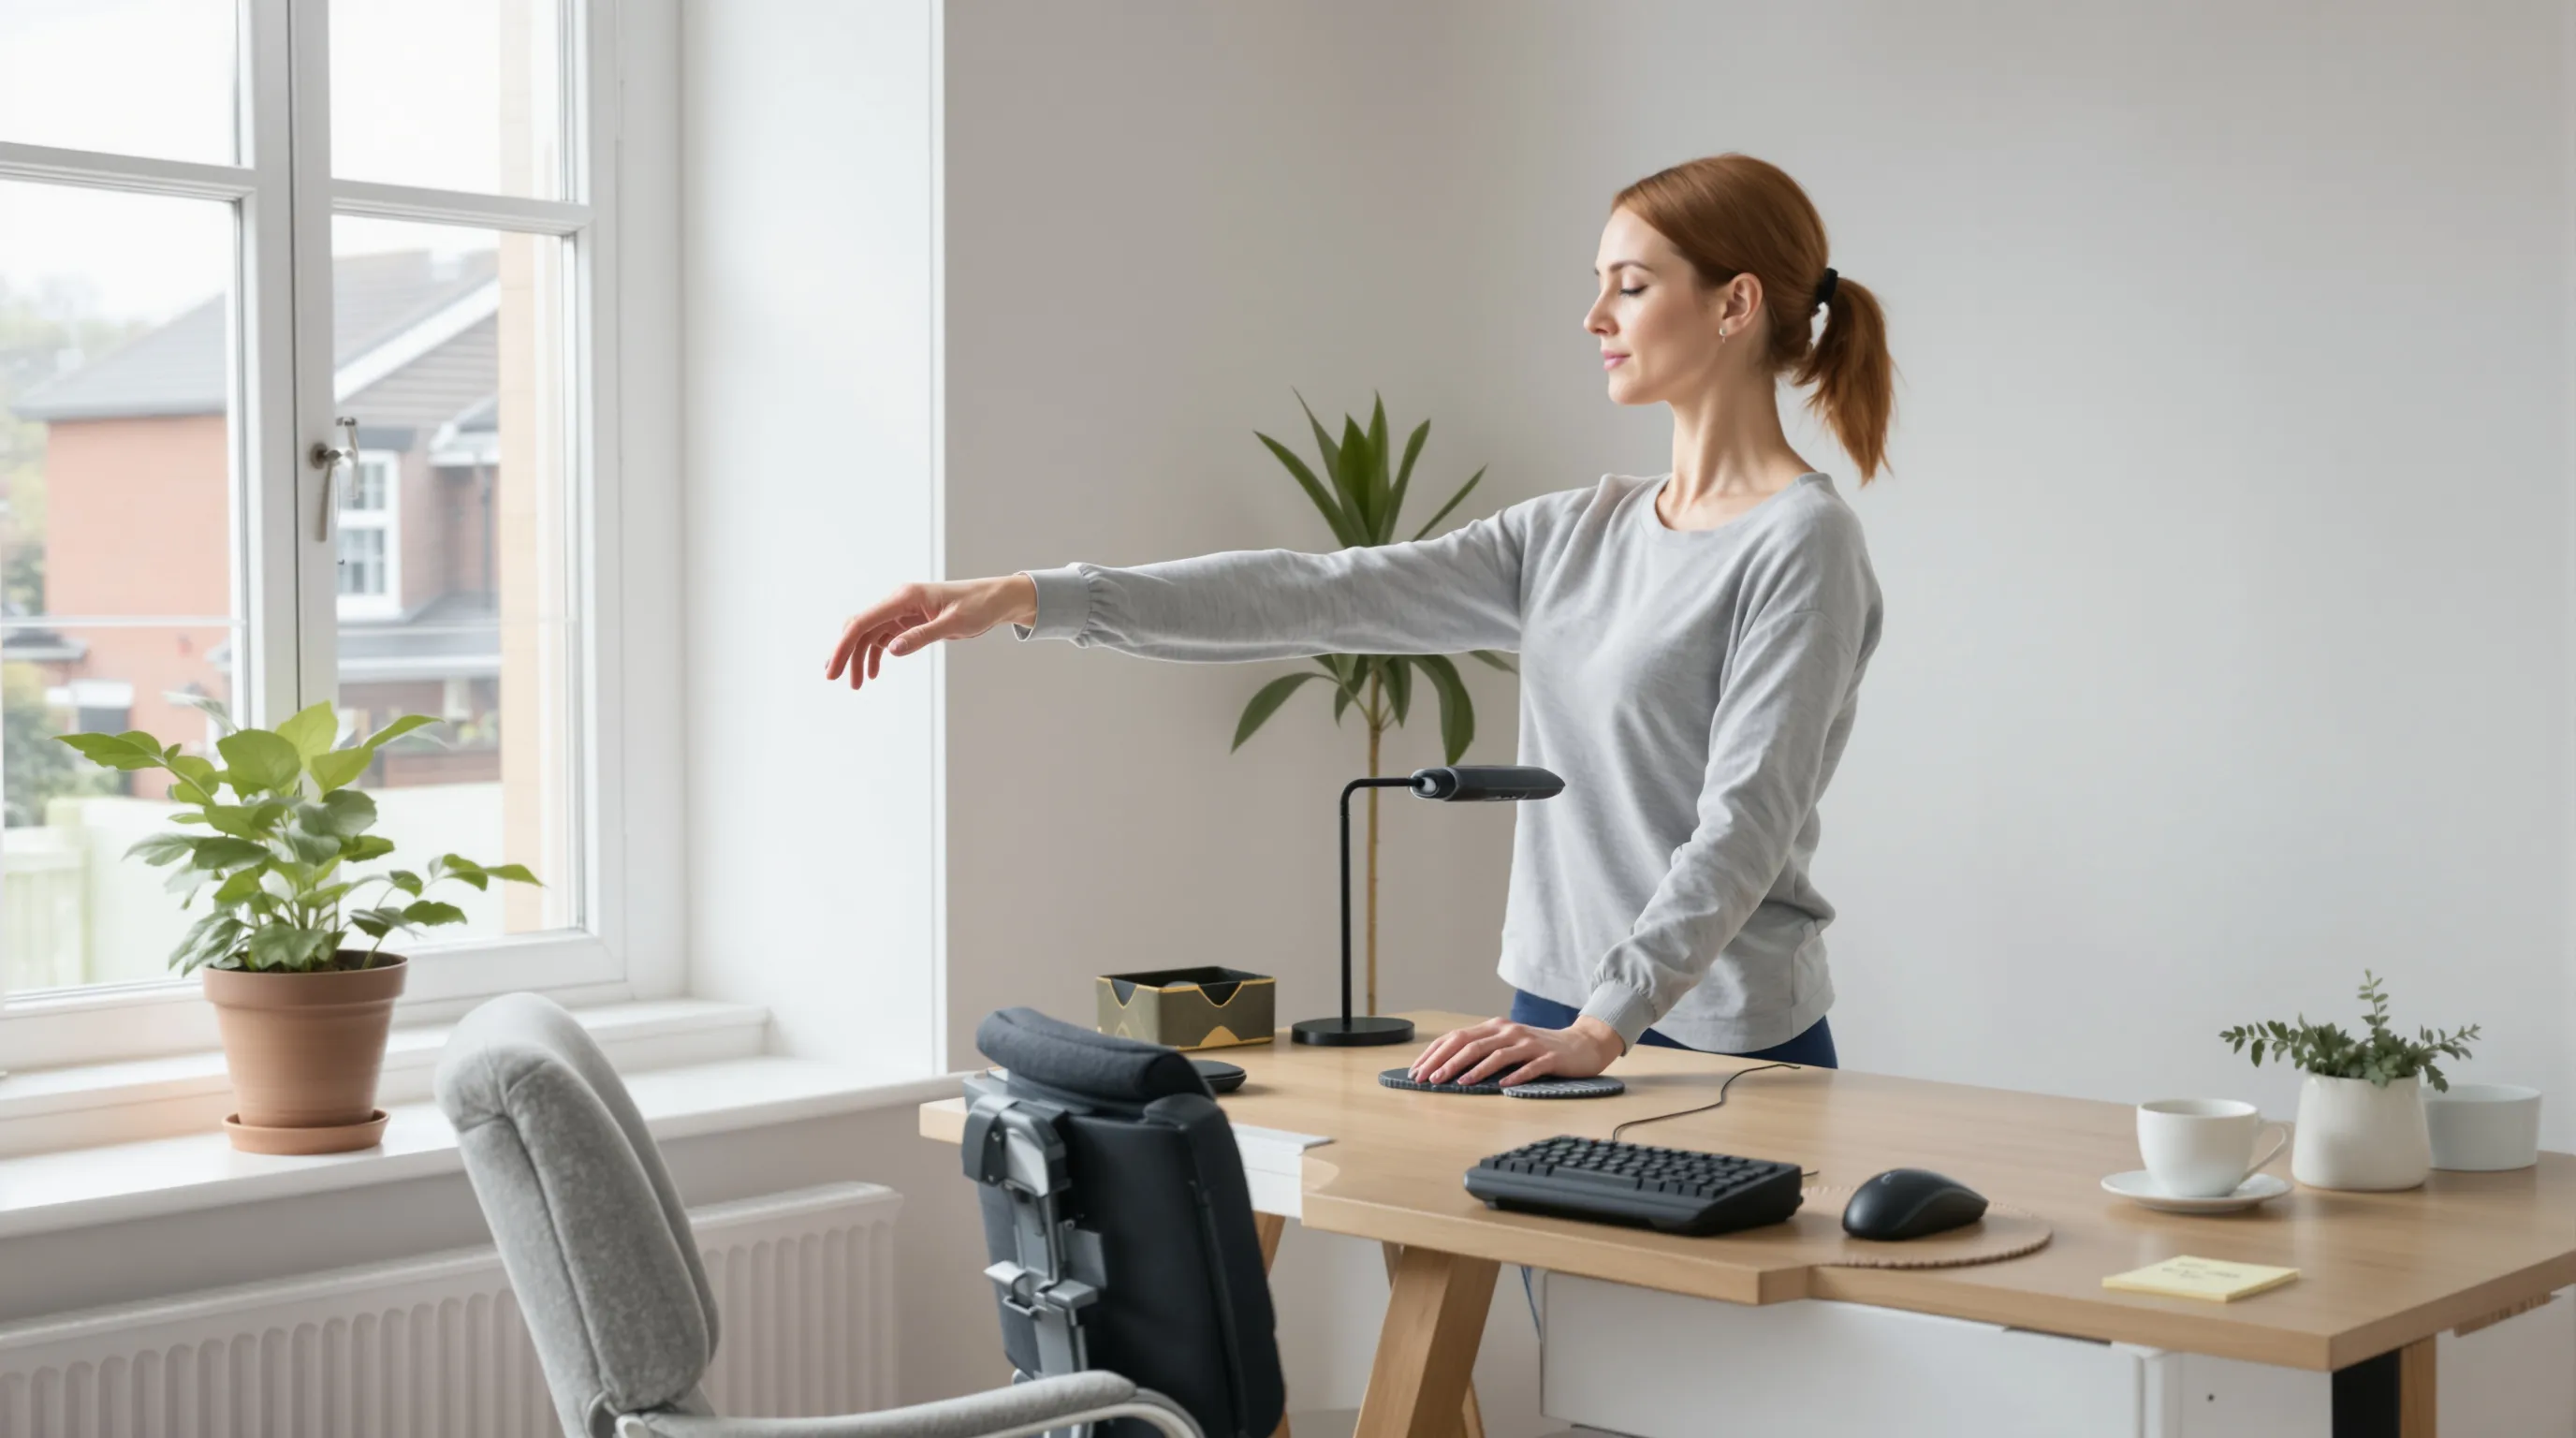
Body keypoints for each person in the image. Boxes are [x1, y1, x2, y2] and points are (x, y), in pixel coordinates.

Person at [826, 153, 1893, 1088]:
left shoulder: (1801, 545)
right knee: (1543, 1326)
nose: (1594, 317)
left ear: (1733, 304)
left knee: (1692, 1329)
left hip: (1712, 1042)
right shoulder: (1575, 533)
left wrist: (1607, 1026)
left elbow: (1742, 825)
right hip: (1545, 1016)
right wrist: (1033, 595)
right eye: (1596, 286)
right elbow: (1315, 591)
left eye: (1630, 283)